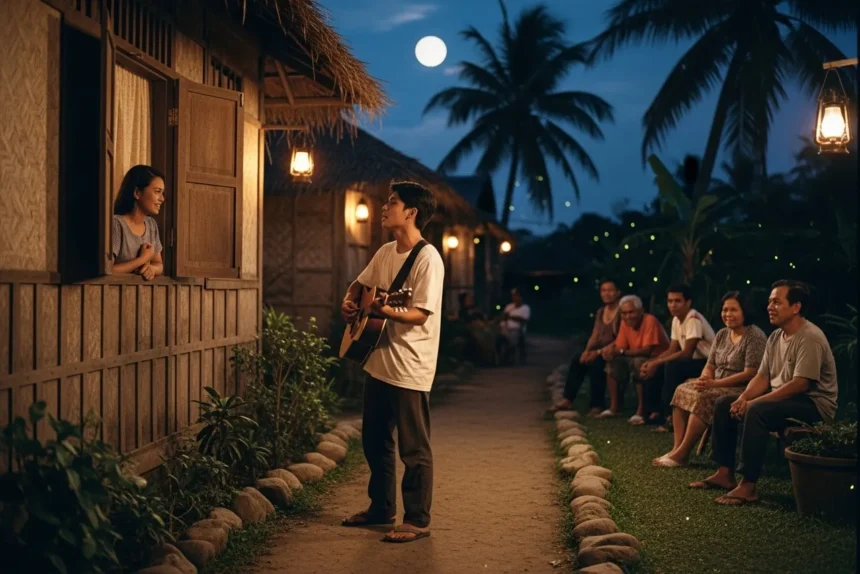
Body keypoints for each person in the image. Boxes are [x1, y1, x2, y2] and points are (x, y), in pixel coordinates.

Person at [340, 182, 444, 542]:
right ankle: (381, 507)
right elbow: (359, 283)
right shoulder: (386, 251)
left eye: (392, 202)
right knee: (374, 440)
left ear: (411, 212)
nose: (385, 207)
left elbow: (420, 314)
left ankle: (417, 519)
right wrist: (350, 301)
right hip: (378, 360)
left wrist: (386, 309)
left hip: (410, 366)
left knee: (414, 447)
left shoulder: (428, 258)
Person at [691, 280, 837, 506]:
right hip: (786, 399)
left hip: (813, 405)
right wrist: (743, 397)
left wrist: (754, 402)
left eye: (777, 302)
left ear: (796, 307)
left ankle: (748, 485)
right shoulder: (776, 337)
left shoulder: (809, 336)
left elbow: (801, 384)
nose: (770, 307)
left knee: (758, 410)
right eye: (769, 302)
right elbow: (762, 377)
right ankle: (724, 473)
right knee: (723, 403)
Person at [653, 291, 767, 467]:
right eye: (725, 310)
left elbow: (750, 373)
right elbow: (710, 364)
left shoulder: (754, 336)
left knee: (704, 397)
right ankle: (676, 449)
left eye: (734, 310)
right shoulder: (722, 334)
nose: (728, 314)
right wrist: (704, 378)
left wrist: (714, 384)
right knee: (682, 389)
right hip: (717, 382)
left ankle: (683, 454)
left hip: (743, 387)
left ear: (745, 311)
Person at [639, 284, 716, 429]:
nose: (673, 305)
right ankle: (654, 412)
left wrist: (658, 363)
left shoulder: (693, 318)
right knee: (654, 366)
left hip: (707, 363)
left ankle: (670, 417)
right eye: (670, 301)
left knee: (673, 368)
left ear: (688, 302)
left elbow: (687, 352)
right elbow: (672, 349)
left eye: (677, 301)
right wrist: (653, 362)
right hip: (692, 361)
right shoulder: (676, 319)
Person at [553, 279, 621, 415]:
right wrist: (587, 351)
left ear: (617, 293)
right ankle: (568, 399)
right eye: (603, 290)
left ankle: (597, 404)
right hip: (599, 349)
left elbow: (621, 339)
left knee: (597, 364)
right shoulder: (601, 311)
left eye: (610, 290)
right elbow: (595, 334)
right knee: (578, 360)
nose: (606, 293)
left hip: (614, 349)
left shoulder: (621, 311)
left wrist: (598, 353)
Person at [601, 295, 670, 422]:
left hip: (658, 359)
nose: (628, 316)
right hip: (635, 356)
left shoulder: (650, 320)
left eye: (631, 312)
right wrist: (610, 352)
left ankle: (641, 411)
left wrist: (620, 352)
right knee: (613, 362)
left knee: (638, 362)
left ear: (640, 311)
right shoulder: (625, 323)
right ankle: (614, 407)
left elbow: (647, 350)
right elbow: (620, 346)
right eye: (624, 313)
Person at [111, 165, 165, 280]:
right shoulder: (116, 224)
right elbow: (108, 270)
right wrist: (143, 259)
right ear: (137, 193)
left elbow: (159, 264)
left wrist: (152, 269)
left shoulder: (151, 225)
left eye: (162, 193)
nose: (162, 199)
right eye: (157, 192)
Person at [499, 288, 531, 362]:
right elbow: (503, 316)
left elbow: (524, 320)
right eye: (513, 296)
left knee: (512, 341)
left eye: (516, 296)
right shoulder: (509, 306)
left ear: (521, 297)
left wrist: (510, 317)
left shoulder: (525, 308)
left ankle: (507, 358)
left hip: (517, 330)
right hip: (505, 329)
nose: (514, 298)